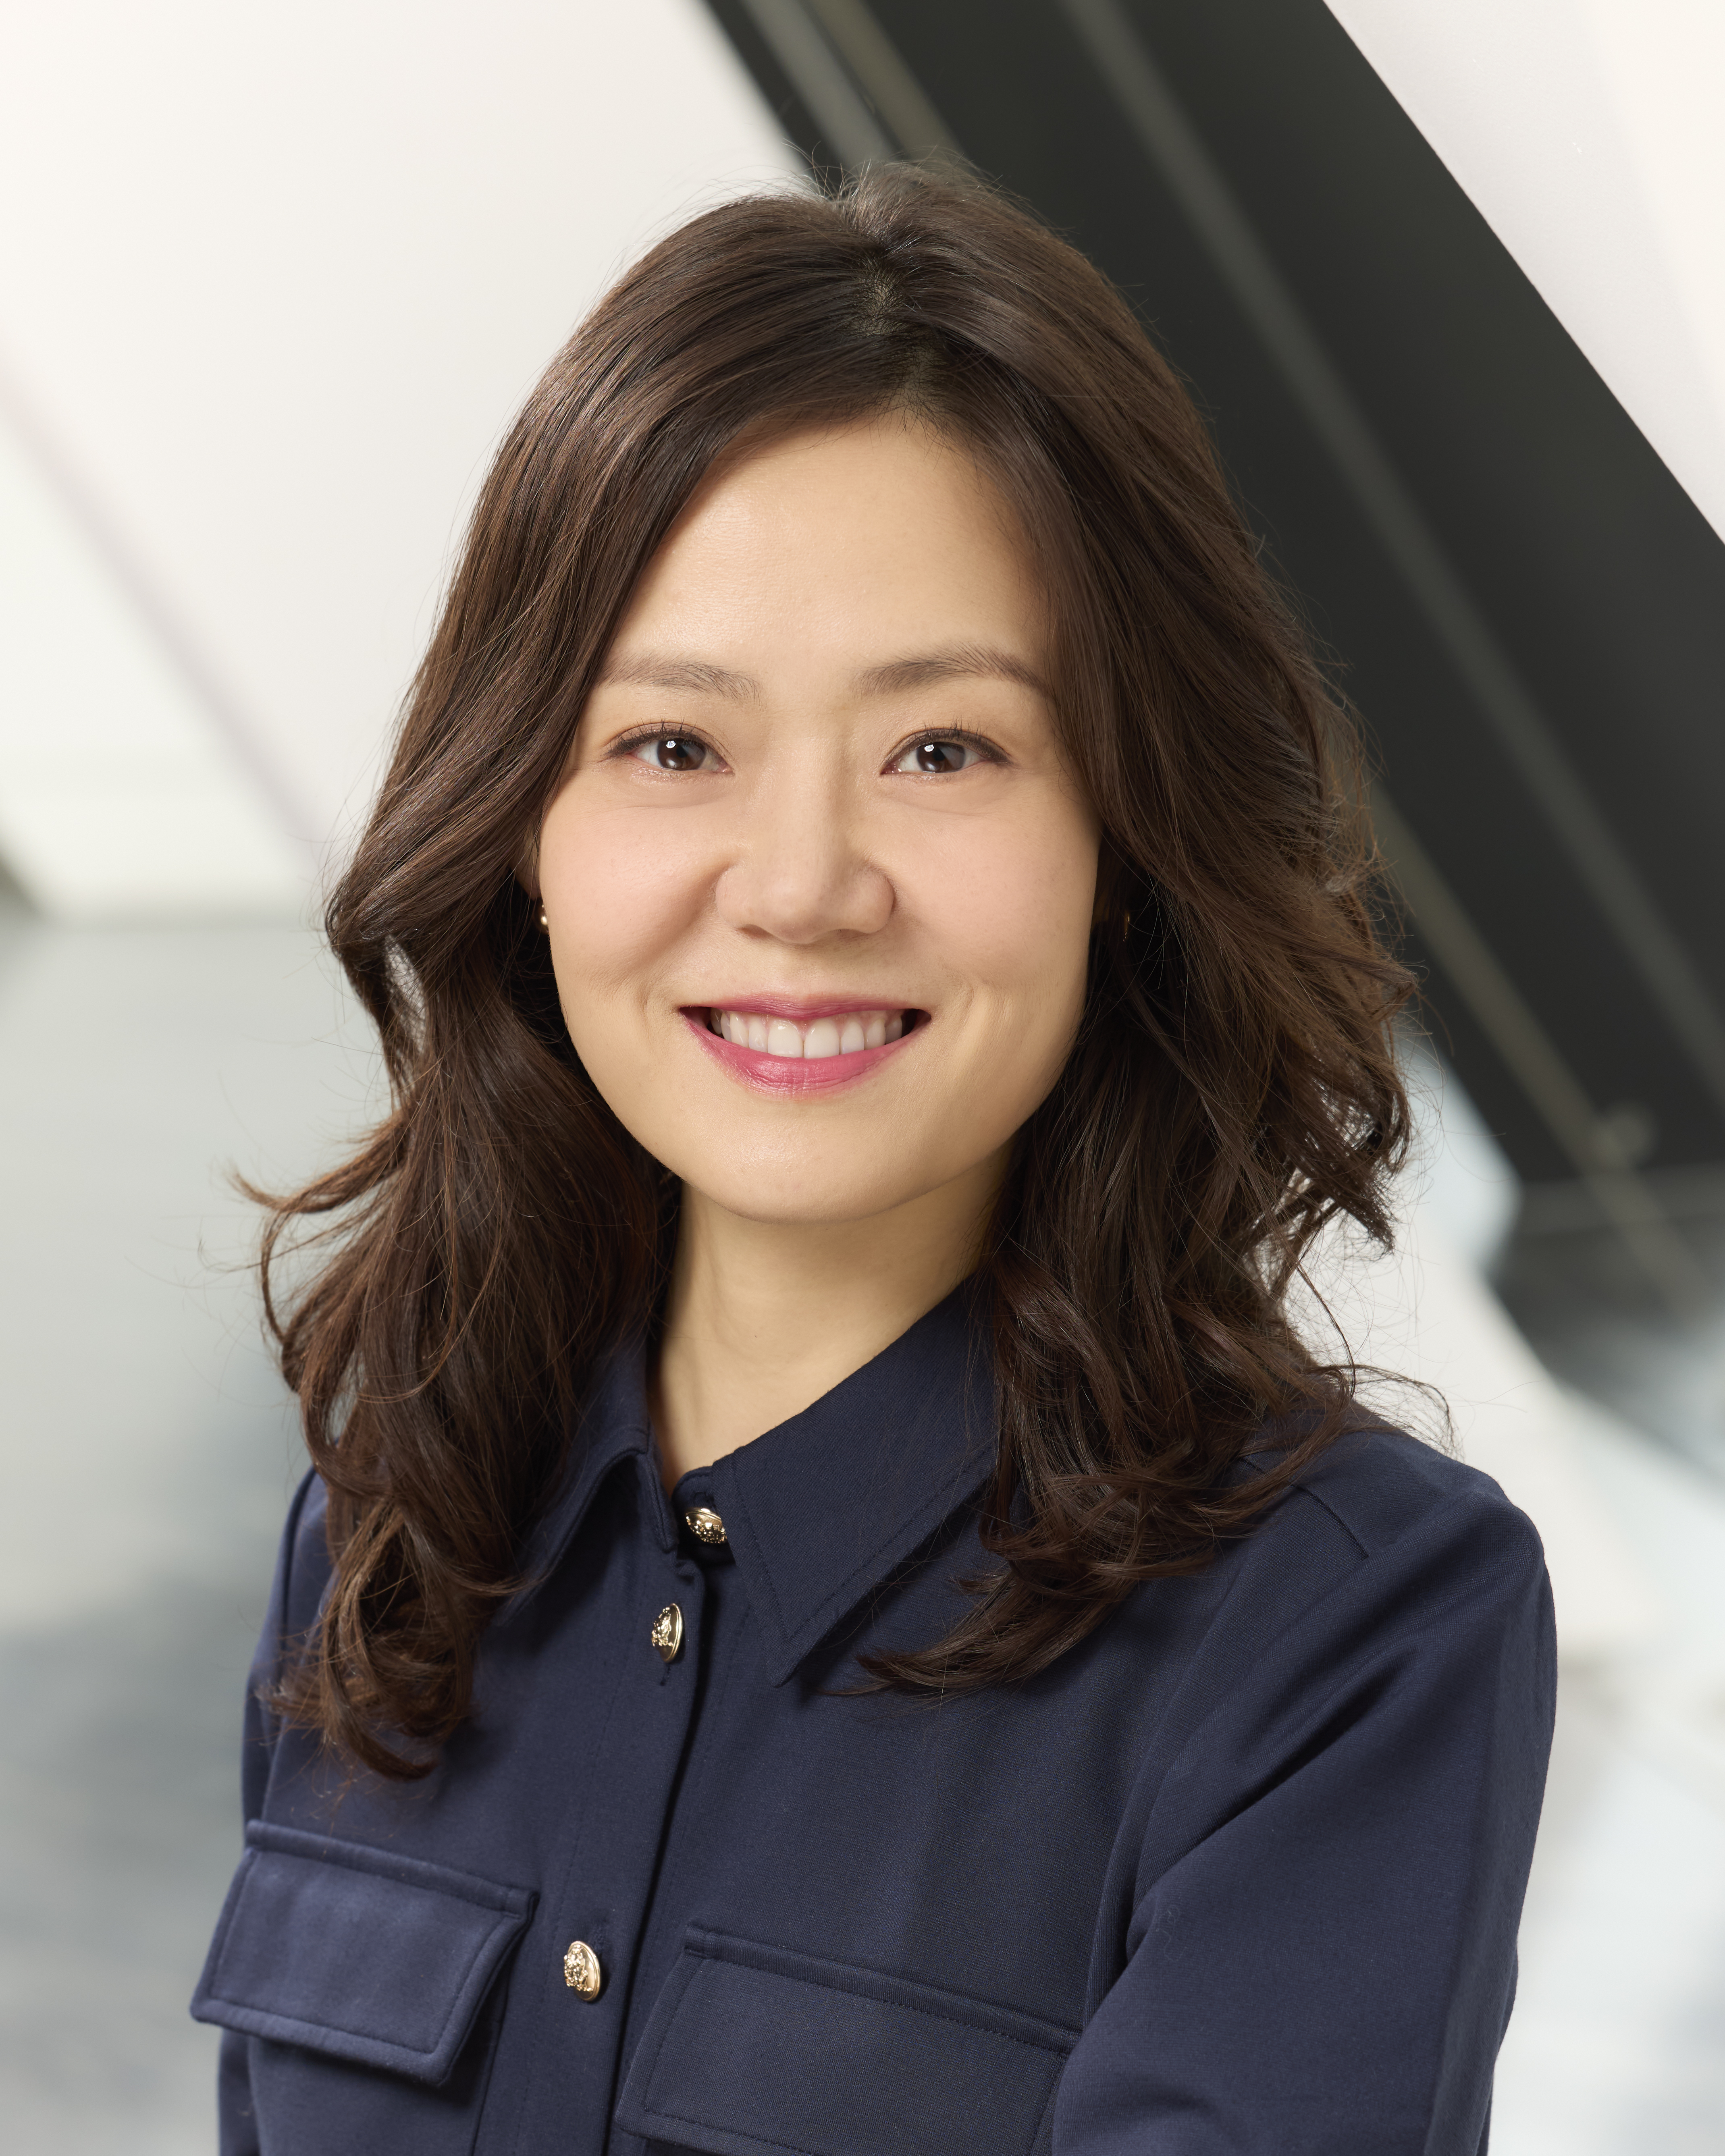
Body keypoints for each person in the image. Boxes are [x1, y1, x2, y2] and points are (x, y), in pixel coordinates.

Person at [191, 165, 1554, 2156]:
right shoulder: (389, 1528)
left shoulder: (1351, 1639)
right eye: (673, 747)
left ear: (1124, 840)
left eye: (942, 750)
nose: (805, 887)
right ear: (523, 837)